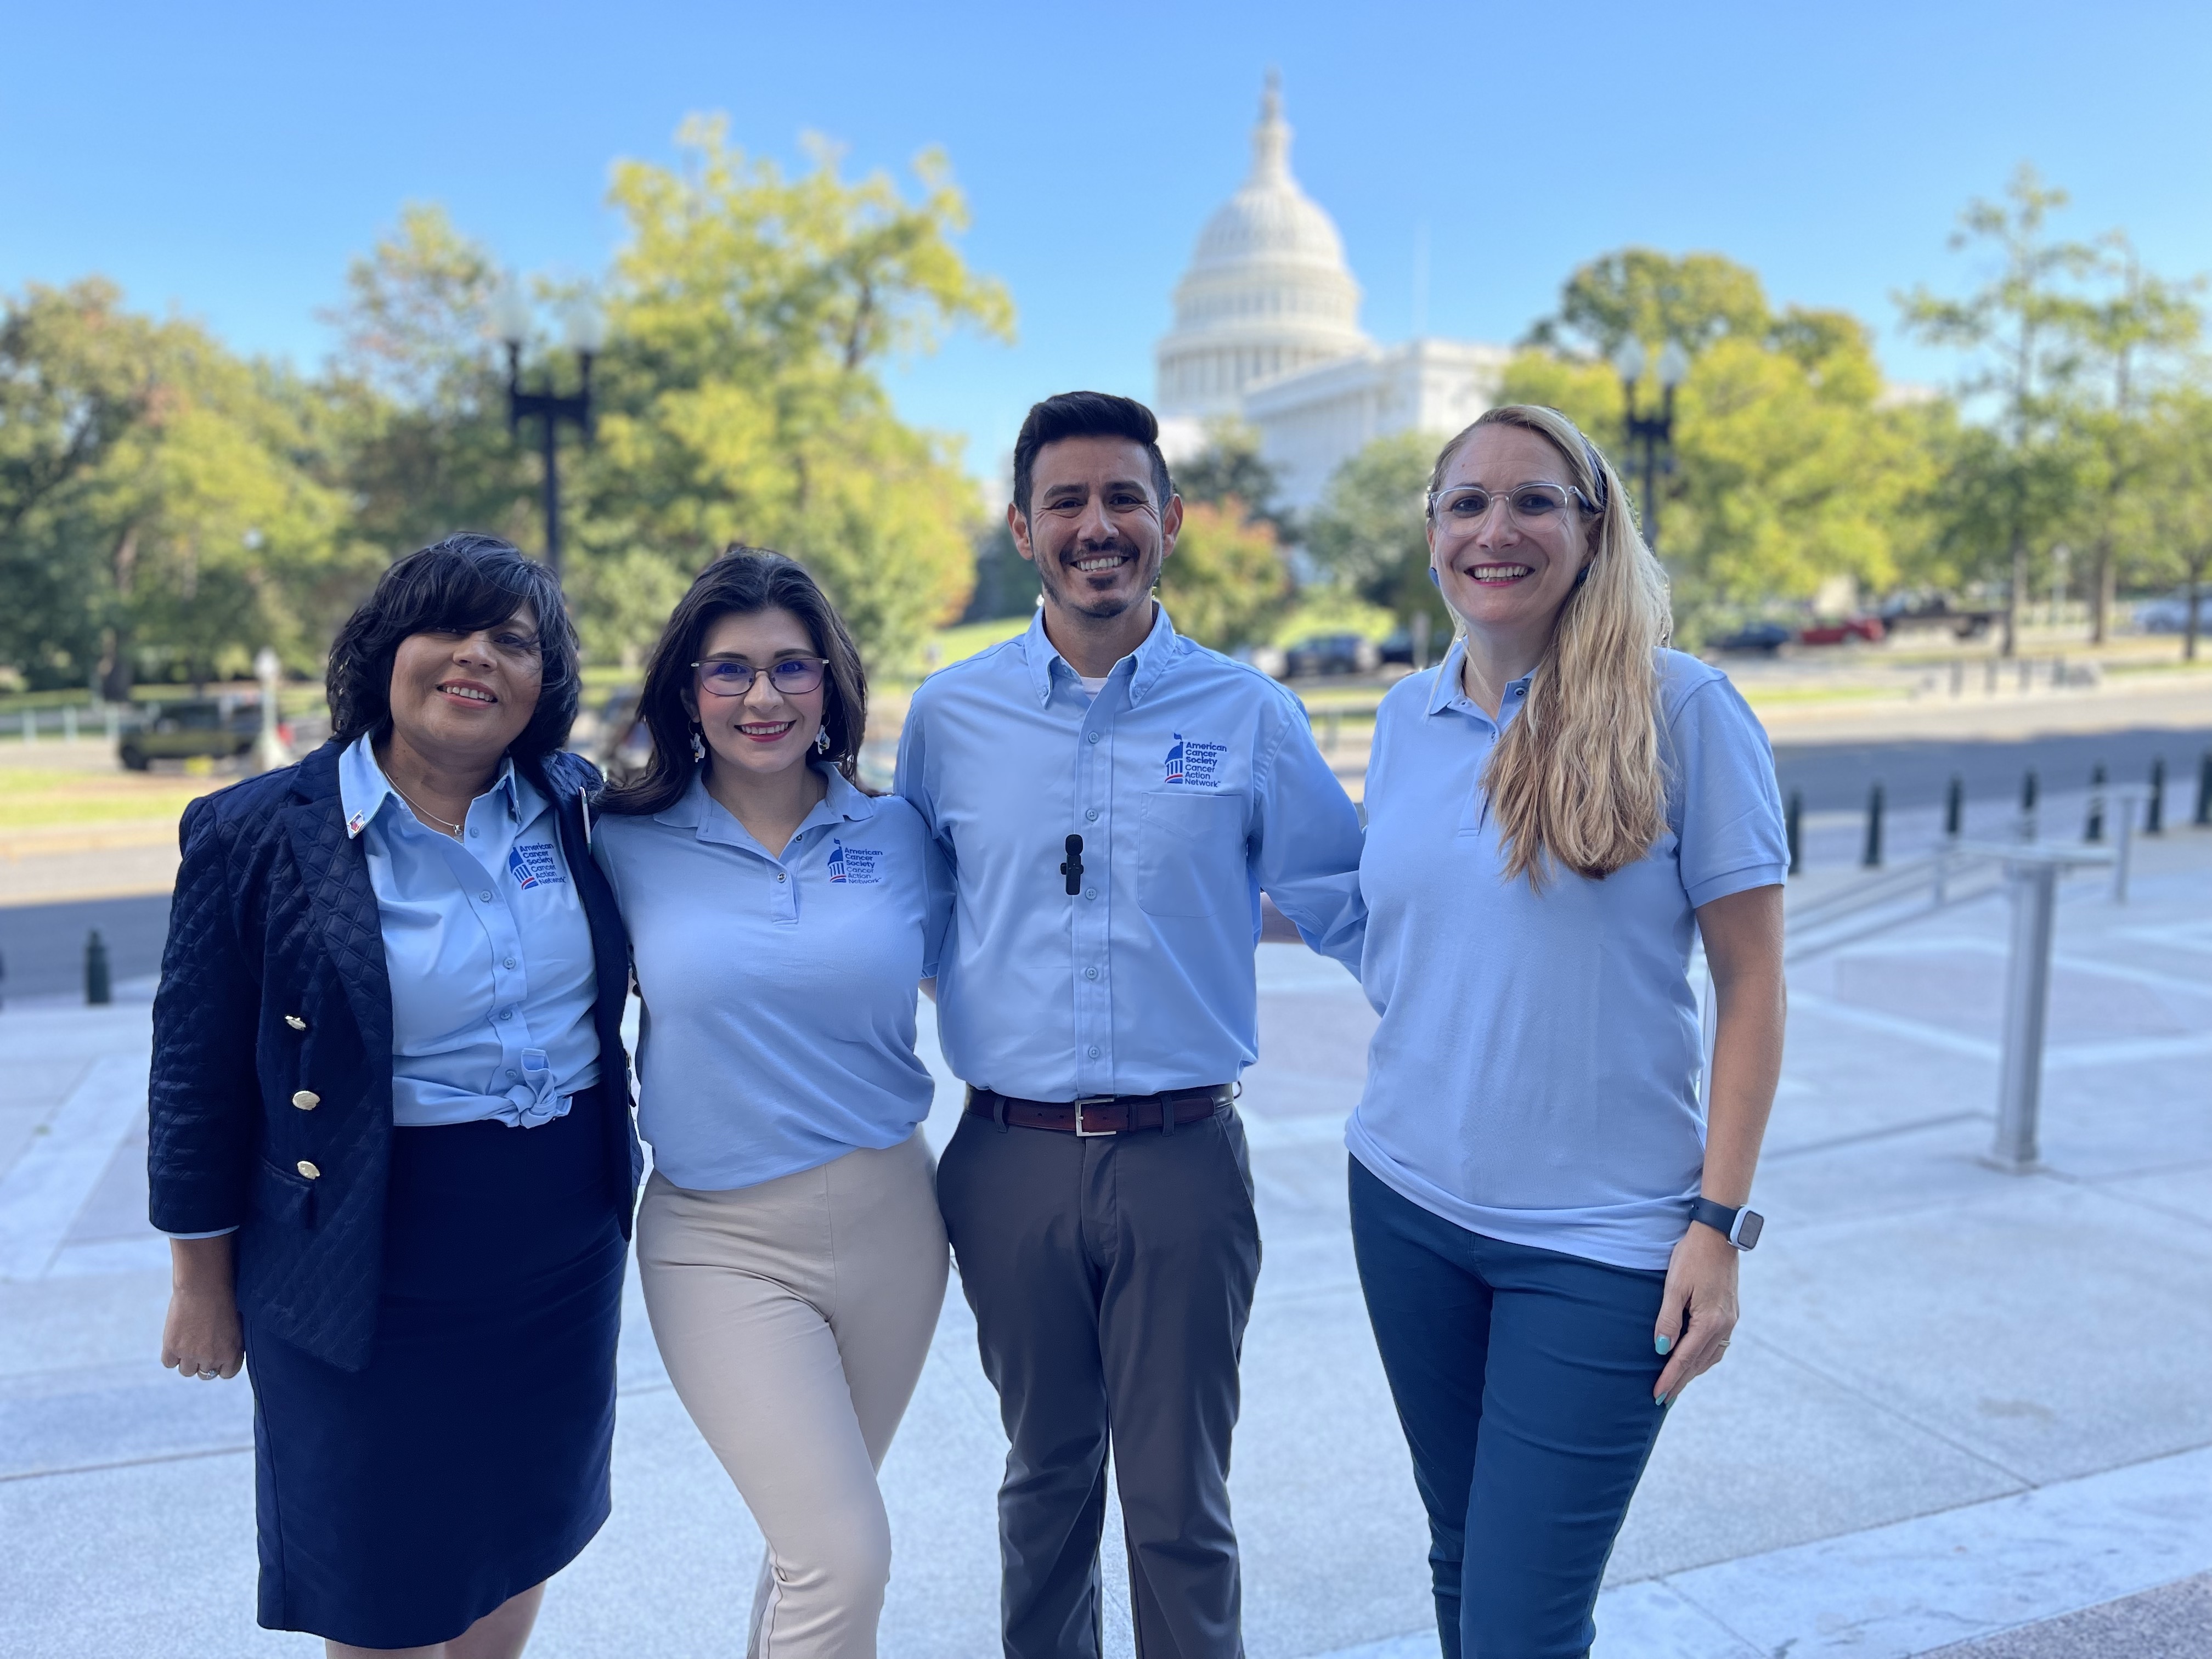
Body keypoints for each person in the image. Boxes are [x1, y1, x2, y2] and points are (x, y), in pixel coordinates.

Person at [896, 390, 1365, 1658]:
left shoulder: (1247, 716)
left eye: (1122, 500)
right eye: (1067, 502)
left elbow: (1358, 906)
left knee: (1176, 1505)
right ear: (1021, 527)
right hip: (1007, 1161)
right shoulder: (951, 716)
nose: (1095, 526)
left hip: (1183, 1163)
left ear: (1170, 521)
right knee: (1044, 1485)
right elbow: (910, 921)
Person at [149, 533, 642, 1659]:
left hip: (557, 1243)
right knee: (377, 1569)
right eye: (448, 628)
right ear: (386, 652)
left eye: (512, 641)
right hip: (357, 1253)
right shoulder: (256, 832)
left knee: (519, 1525)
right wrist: (198, 1277)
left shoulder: (578, 807)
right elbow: (193, 1073)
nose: (477, 657)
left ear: (543, 682)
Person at [1347, 405, 1788, 1658]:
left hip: (1601, 1250)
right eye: (1466, 504)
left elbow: (1752, 985)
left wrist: (1720, 1226)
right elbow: (1399, 924)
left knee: (1521, 1626)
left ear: (1593, 530)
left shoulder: (1686, 709)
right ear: (1432, 536)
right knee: (1461, 1556)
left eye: (1535, 500)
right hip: (1405, 1203)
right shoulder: (1401, 719)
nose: (1497, 529)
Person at [593, 549, 951, 1659]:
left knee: (809, 1555)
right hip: (718, 1241)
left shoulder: (900, 836)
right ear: (686, 691)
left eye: (793, 668)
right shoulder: (618, 841)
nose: (763, 698)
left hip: (897, 1223)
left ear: (832, 686)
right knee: (842, 1554)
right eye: (730, 670)